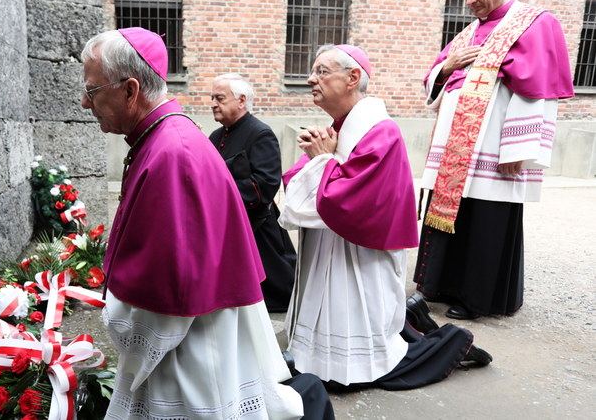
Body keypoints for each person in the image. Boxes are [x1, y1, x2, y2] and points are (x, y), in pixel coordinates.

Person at [80, 27, 334, 419]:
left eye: (93, 90)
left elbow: (167, 297)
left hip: (189, 347)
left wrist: (121, 321)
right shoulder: (164, 137)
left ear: (130, 91)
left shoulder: (170, 154)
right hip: (196, 333)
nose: (85, 102)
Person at [278, 44, 491, 391]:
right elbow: (301, 192)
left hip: (360, 254)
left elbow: (348, 201)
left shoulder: (380, 131)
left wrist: (322, 160)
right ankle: (334, 349)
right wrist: (318, 156)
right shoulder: (338, 126)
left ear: (353, 77)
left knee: (360, 368)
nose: (309, 79)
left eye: (321, 71)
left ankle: (452, 343)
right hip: (332, 248)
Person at [414, 0, 575, 320]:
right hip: (455, 147)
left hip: (493, 143)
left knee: (486, 218)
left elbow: (538, 90)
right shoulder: (469, 31)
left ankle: (477, 298)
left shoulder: (534, 23)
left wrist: (519, 147)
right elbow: (437, 78)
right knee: (452, 214)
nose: (471, 2)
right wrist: (446, 68)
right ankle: (438, 285)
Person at [209, 73, 297, 313]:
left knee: (274, 291)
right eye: (212, 98)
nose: (213, 104)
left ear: (241, 100)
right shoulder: (216, 137)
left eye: (220, 98)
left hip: (257, 226)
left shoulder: (260, 133)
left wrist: (218, 193)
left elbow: (266, 183)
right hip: (227, 223)